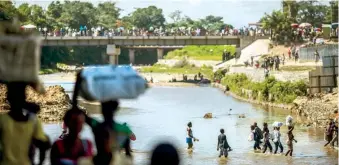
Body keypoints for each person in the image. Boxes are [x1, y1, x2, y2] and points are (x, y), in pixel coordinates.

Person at [0, 82, 50, 165]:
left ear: (8, 98)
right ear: (25, 98)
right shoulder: (33, 120)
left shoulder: (2, 120)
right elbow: (43, 145)